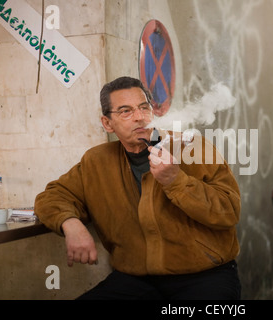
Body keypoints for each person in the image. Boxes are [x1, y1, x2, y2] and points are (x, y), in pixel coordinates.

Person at [34, 76, 242, 300]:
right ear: (107, 123)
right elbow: (52, 197)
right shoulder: (97, 161)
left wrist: (176, 181)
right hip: (136, 280)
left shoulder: (193, 147)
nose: (139, 117)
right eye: (125, 111)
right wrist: (70, 223)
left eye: (144, 107)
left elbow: (229, 211)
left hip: (204, 277)